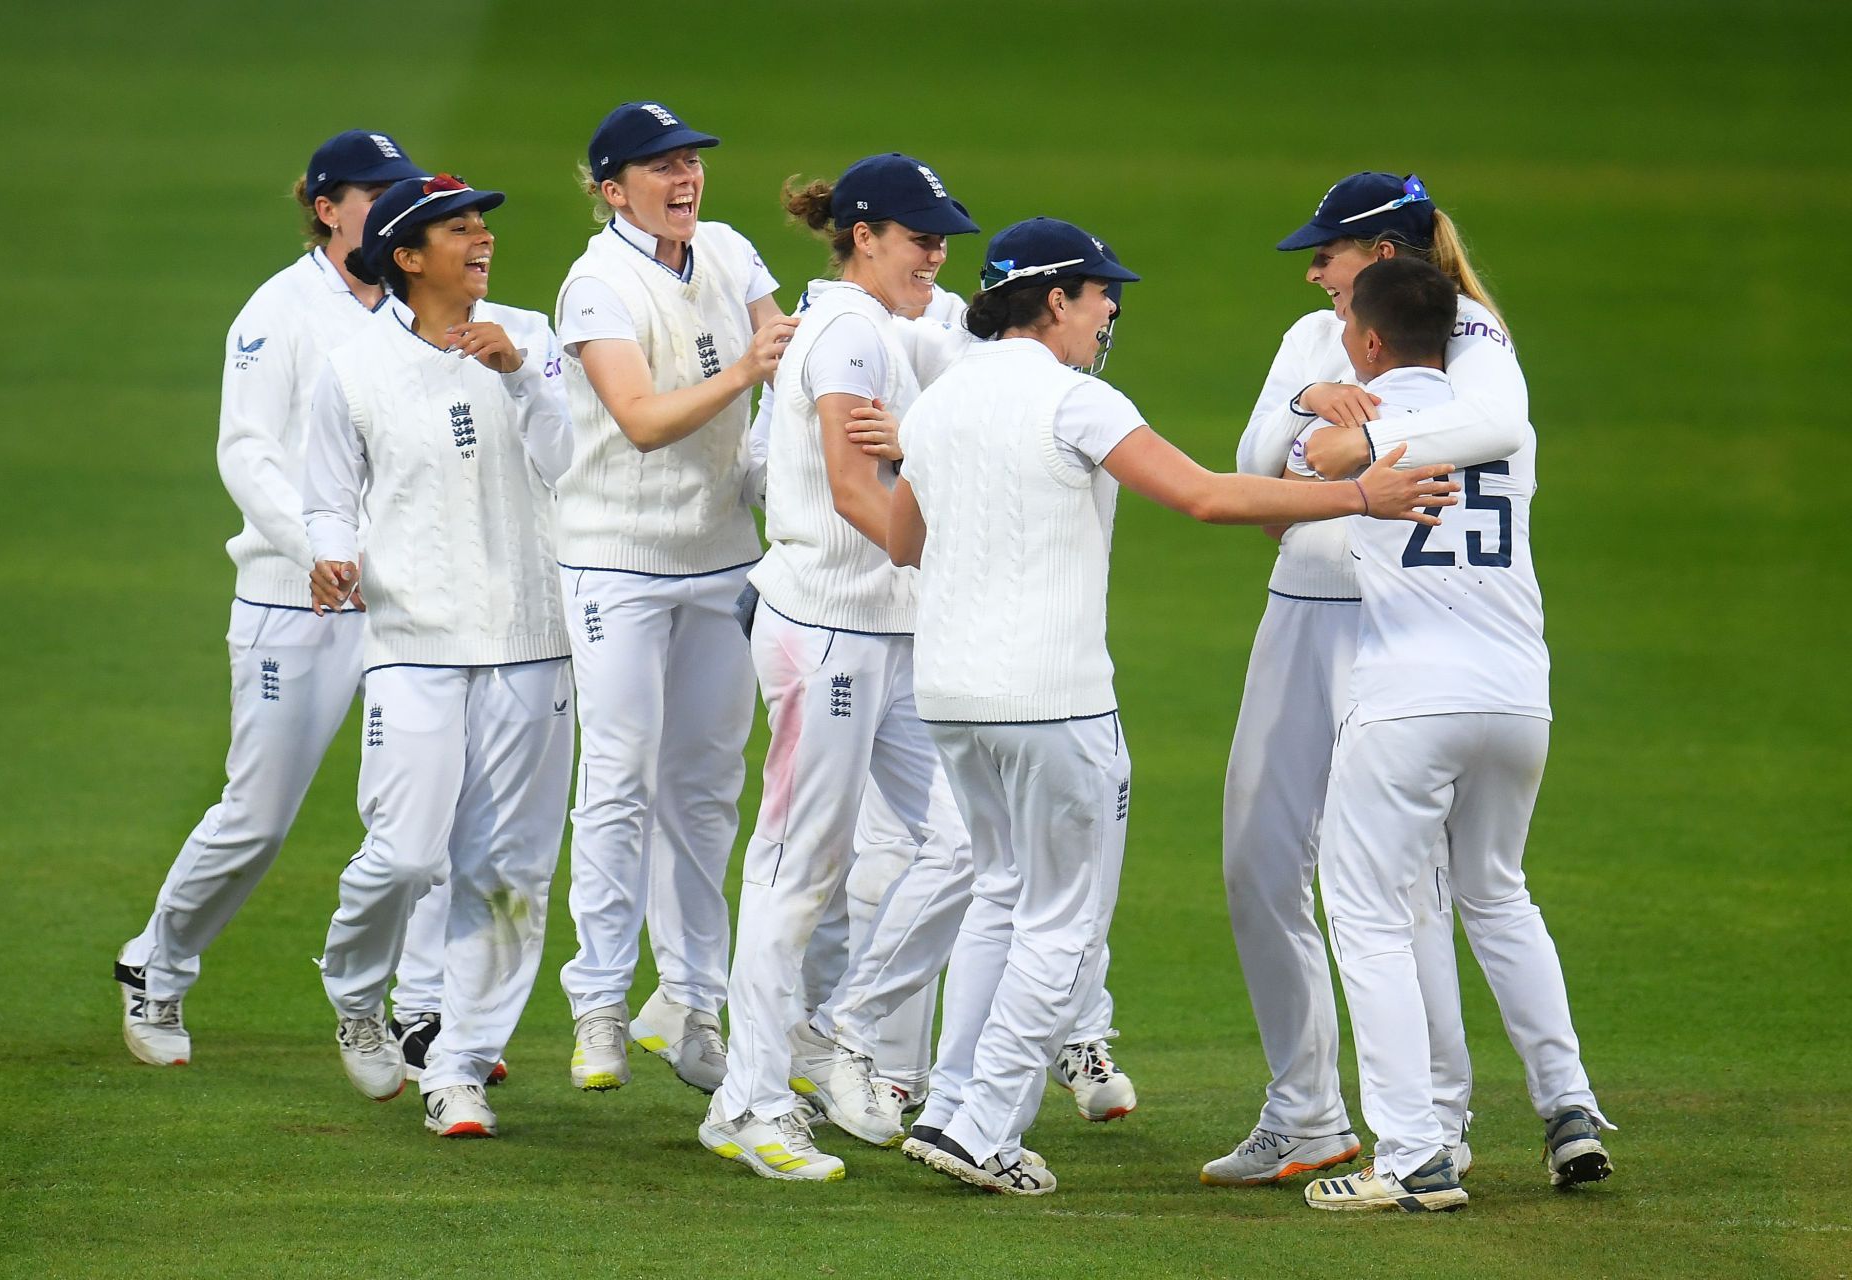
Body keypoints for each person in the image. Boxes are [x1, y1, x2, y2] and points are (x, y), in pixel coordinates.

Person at [889, 217, 1458, 1196]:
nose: (1112, 310)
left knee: (999, 893)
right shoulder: (1077, 400)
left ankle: (948, 1100)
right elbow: (1201, 495)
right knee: (1061, 923)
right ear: (1056, 299)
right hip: (1051, 698)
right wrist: (1361, 497)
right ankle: (982, 1126)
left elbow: (902, 537)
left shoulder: (939, 401)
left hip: (949, 694)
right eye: (1103, 292)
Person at [1206, 171, 1532, 1187]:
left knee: (1398, 881)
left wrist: (1354, 444)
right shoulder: (1312, 340)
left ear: (1382, 256)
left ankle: (1434, 1119)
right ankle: (1307, 1112)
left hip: (1399, 620)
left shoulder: (1469, 328)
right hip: (1300, 606)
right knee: (1256, 855)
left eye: (1328, 251)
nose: (1312, 269)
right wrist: (1310, 405)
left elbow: (1493, 431)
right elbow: (1255, 464)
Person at [113, 129, 451, 1070]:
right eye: (371, 191)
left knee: (427, 821)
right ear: (325, 206)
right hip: (296, 599)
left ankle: (411, 1013)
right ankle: (159, 966)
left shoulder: (414, 303)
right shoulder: (277, 313)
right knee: (259, 816)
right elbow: (248, 454)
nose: (388, 204)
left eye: (401, 191)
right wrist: (320, 548)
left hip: (406, 605)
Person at [1298, 257, 1612, 1211]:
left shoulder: (1357, 436)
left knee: (1366, 913)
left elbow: (1299, 475)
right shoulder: (1499, 429)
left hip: (1408, 700)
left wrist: (1321, 404)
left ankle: (1412, 1155)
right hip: (1519, 699)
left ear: (1371, 342)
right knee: (1499, 894)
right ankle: (1570, 1111)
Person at [699, 153, 981, 1182]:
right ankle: (752, 1102)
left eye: (942, 235)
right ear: (865, 235)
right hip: (827, 632)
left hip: (884, 631)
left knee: (968, 840)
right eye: (920, 236)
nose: (938, 254)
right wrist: (966, 543)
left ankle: (839, 1028)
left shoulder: (885, 330)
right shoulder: (851, 333)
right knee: (796, 865)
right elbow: (864, 503)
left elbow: (895, 474)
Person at [304, 173, 575, 1139]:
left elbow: (570, 460)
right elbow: (328, 490)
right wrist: (329, 550)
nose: (481, 241)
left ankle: (457, 1061)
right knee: (405, 854)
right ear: (408, 259)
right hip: (412, 641)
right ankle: (353, 990)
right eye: (457, 230)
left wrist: (520, 377)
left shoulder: (530, 336)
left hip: (531, 642)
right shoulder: (353, 365)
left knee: (508, 872)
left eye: (483, 227)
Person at [550, 102, 796, 1094]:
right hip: (616, 561)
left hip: (723, 559)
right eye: (661, 165)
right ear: (614, 190)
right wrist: (748, 368)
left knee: (703, 787)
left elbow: (791, 355)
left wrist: (776, 430)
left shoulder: (730, 252)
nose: (684, 175)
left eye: (690, 159)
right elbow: (642, 419)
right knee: (616, 772)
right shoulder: (596, 284)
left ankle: (693, 1005)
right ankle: (599, 1003)